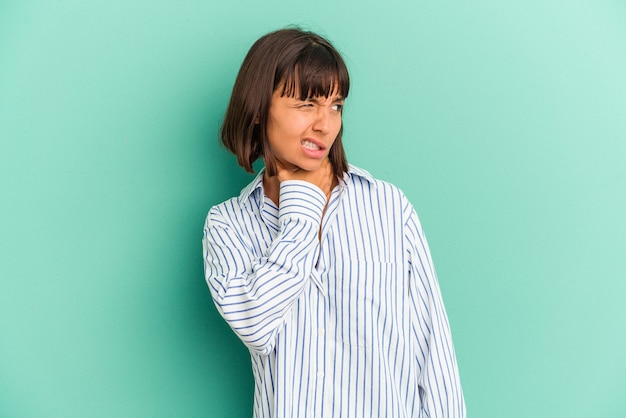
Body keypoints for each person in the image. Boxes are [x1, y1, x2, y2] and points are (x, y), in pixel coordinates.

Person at [202, 28, 465, 418]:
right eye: (307, 104)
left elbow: (433, 347)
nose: (325, 124)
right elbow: (257, 325)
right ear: (258, 109)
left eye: (336, 105)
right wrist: (303, 212)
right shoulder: (227, 225)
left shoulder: (389, 207)